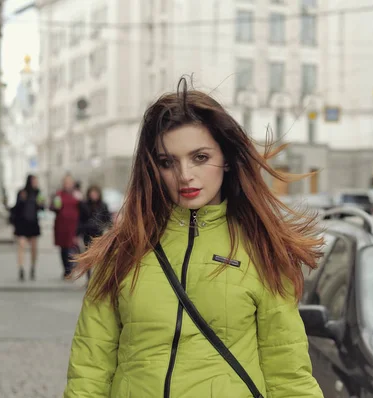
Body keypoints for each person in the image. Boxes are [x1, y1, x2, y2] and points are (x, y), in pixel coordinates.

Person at [64, 77, 325, 397]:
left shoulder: (262, 249)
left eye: (199, 157)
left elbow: (289, 375)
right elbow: (90, 368)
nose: (185, 174)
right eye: (167, 162)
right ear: (153, 168)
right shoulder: (122, 250)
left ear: (226, 159)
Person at [11, 175, 45, 281]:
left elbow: (42, 208)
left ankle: (32, 267)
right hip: (22, 223)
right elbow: (16, 207)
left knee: (34, 248)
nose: (36, 182)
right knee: (21, 245)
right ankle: (21, 268)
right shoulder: (22, 192)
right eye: (34, 181)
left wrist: (41, 204)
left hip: (33, 224)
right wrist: (22, 199)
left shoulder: (38, 193)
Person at [77, 185, 112, 281]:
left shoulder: (103, 205)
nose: (94, 195)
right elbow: (80, 220)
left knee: (99, 257)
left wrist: (109, 230)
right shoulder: (84, 205)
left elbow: (108, 220)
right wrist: (78, 232)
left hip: (99, 235)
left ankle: (98, 278)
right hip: (87, 234)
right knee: (88, 257)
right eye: (92, 193)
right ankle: (89, 278)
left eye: (95, 193)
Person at [50, 174, 81, 279]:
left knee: (73, 246)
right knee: (64, 248)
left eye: (69, 182)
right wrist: (55, 206)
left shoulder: (77, 194)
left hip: (74, 225)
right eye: (66, 182)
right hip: (61, 225)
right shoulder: (58, 194)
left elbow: (83, 208)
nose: (67, 184)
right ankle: (66, 270)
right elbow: (52, 208)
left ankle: (72, 267)